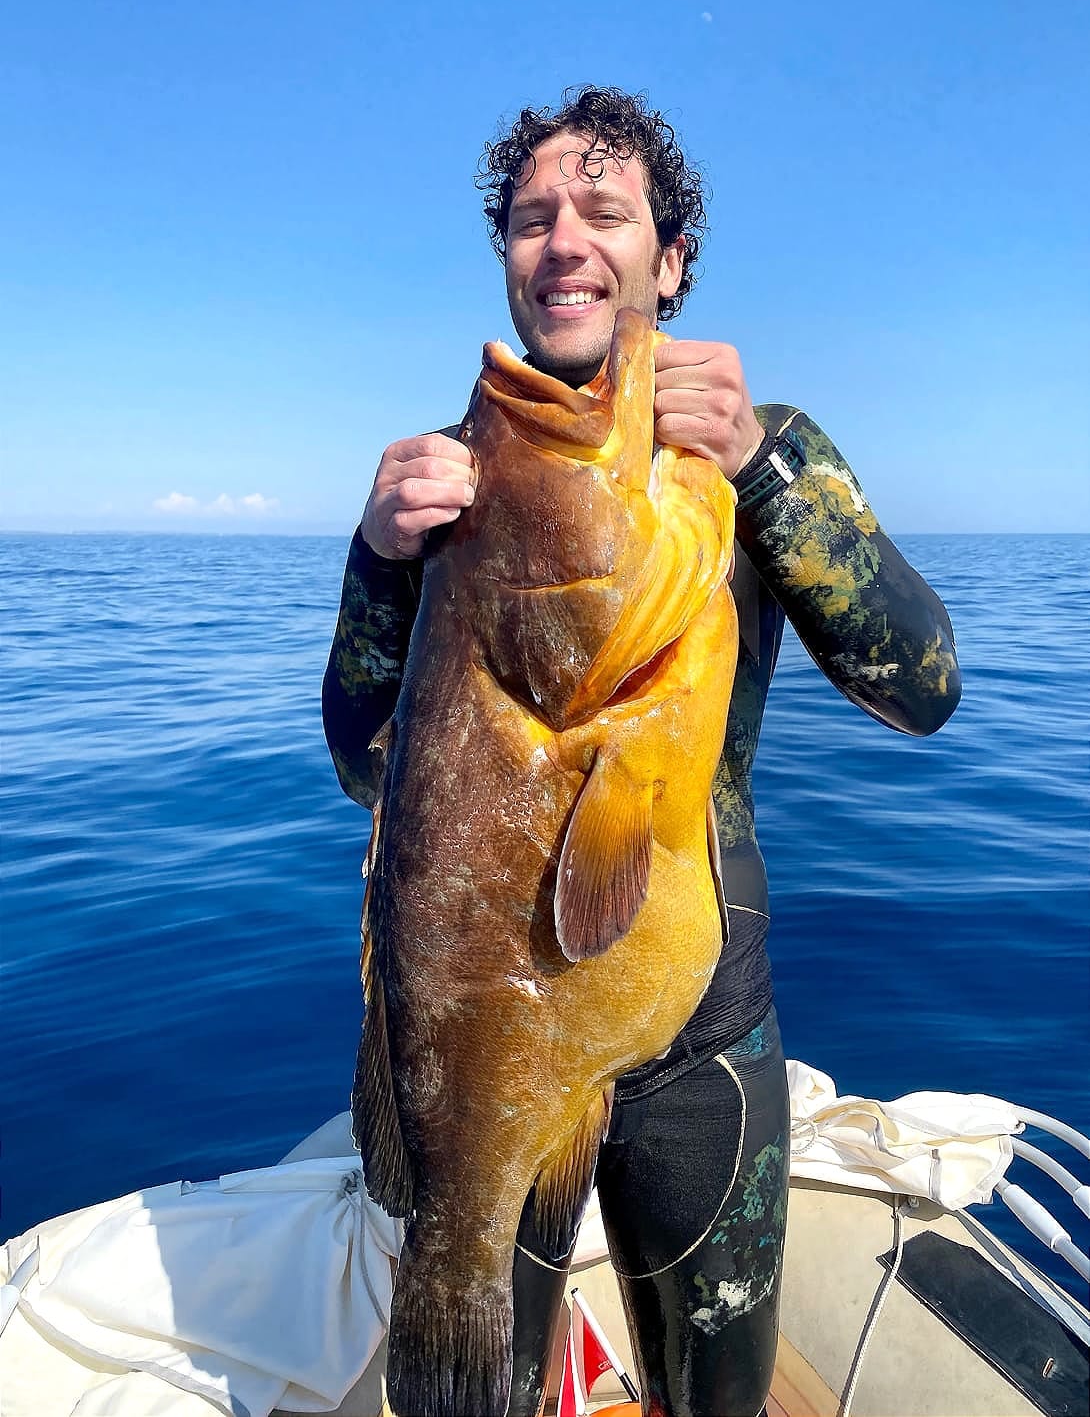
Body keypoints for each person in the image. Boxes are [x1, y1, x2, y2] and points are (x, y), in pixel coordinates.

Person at [323, 86, 961, 1417]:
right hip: (491, 1029)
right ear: (507, 259)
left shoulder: (759, 452)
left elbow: (922, 689)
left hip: (704, 1032)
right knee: (472, 1373)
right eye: (529, 219)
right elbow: (362, 760)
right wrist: (379, 562)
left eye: (603, 211)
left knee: (715, 1392)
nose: (562, 240)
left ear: (669, 261)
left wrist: (761, 474)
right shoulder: (447, 482)